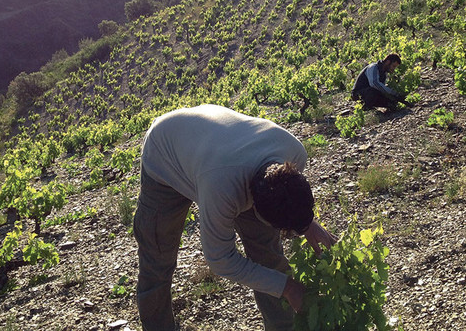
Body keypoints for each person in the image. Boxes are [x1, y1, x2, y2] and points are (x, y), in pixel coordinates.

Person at [133, 104, 337, 331]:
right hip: (165, 155)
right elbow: (221, 260)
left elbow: (290, 196)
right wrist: (288, 288)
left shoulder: (295, 153)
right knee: (158, 258)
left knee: (268, 256)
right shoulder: (221, 189)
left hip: (215, 151)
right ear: (255, 206)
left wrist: (307, 224)